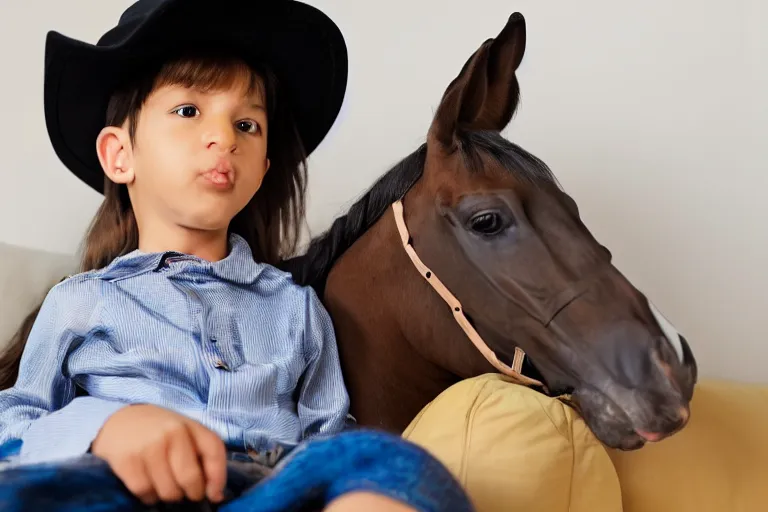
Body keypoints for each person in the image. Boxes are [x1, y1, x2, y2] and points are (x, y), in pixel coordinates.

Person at [0, 1, 474, 511]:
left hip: (269, 490)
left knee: (383, 459)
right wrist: (106, 425)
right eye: (188, 111)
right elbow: (14, 424)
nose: (224, 138)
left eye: (247, 125)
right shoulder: (82, 300)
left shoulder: (296, 309)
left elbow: (327, 434)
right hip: (121, 487)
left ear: (264, 168)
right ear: (120, 154)